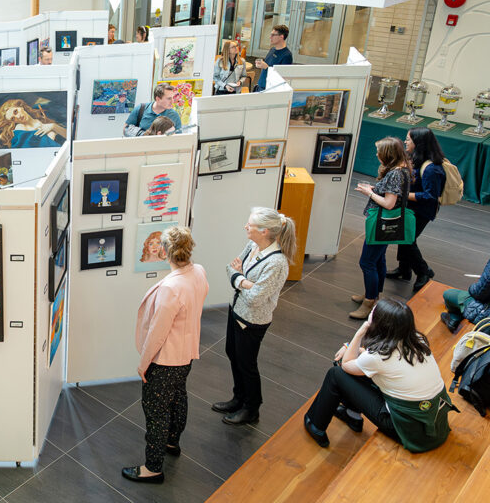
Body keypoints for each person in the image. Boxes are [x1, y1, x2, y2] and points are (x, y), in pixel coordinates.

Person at [303, 298, 456, 453]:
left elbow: (346, 365)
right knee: (362, 371)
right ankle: (352, 415)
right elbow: (373, 362)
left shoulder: (378, 357)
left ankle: (316, 425)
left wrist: (361, 330)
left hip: (408, 431)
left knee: (336, 374)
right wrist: (353, 349)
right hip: (434, 424)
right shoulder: (417, 340)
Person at [123, 226, 208, 484]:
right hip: (186, 355)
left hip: (165, 360)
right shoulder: (198, 272)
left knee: (156, 412)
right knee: (178, 397)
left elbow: (157, 334)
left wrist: (143, 364)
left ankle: (153, 467)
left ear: (164, 252)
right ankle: (172, 442)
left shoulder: (171, 288)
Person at [214, 207, 296, 425]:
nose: (245, 227)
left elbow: (256, 298)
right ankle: (238, 398)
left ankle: (252, 408)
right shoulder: (253, 245)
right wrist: (244, 282)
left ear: (265, 231)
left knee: (246, 363)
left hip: (252, 320)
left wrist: (239, 279)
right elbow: (231, 268)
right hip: (237, 309)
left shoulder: (277, 263)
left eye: (249, 225)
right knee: (232, 353)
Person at [351, 137, 410, 319]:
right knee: (378, 260)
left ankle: (370, 301)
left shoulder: (395, 174)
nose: (376, 155)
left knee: (367, 262)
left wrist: (369, 192)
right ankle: (374, 295)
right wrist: (375, 188)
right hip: (384, 225)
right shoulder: (402, 170)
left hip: (381, 225)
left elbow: (389, 203)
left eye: (379, 152)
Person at [387, 127, 445, 292]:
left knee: (407, 240)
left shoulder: (432, 169)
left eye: (408, 139)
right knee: (404, 238)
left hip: (422, 211)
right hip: (412, 208)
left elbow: (429, 196)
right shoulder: (416, 159)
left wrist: (403, 195)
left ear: (418, 143)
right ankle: (404, 270)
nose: (405, 141)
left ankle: (424, 272)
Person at [0, 98, 67, 148]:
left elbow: (69, 136)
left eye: (15, 111)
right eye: (13, 118)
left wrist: (53, 126)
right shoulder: (20, 133)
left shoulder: (41, 116)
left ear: (20, 106)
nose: (18, 117)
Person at [441, 257, 490, 332]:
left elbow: (478, 293)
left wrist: (477, 284)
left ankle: (454, 318)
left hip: (486, 319)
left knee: (448, 294)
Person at [253, 24, 292, 92]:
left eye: (273, 35)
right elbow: (267, 67)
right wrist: (261, 65)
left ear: (281, 36)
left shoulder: (287, 55)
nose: (270, 37)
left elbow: (282, 78)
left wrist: (266, 67)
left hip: (270, 90)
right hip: (260, 87)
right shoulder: (272, 50)